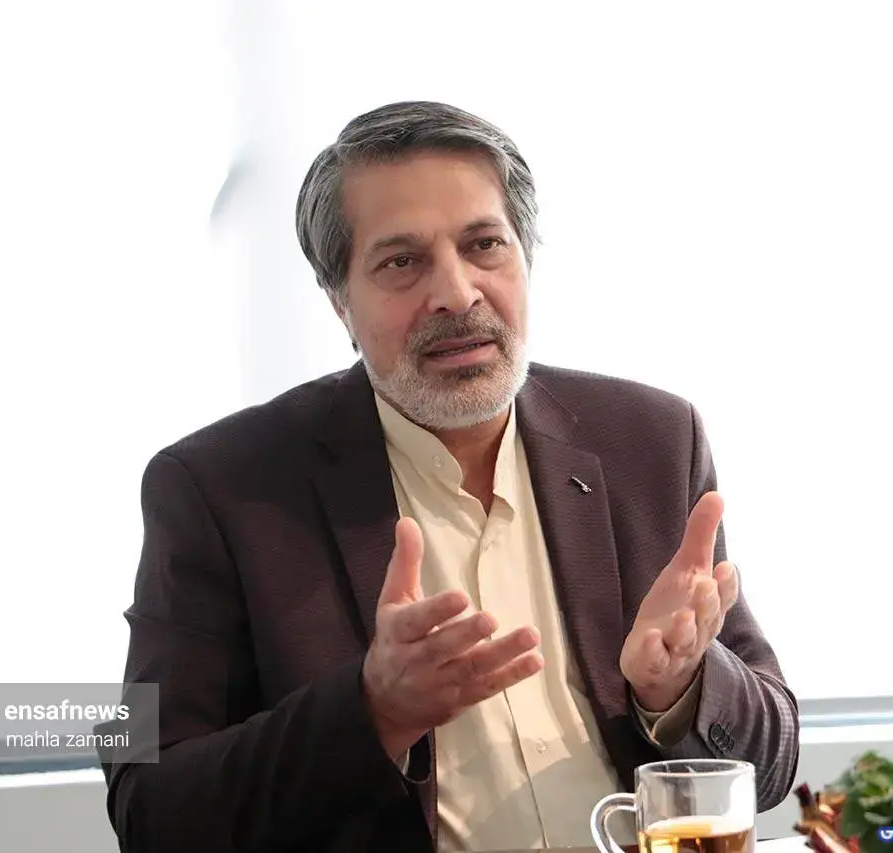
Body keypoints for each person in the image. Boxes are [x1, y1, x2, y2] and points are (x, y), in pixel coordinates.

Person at [97, 100, 799, 853]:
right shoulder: (219, 489)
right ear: (339, 301)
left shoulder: (649, 439)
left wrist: (681, 688)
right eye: (402, 262)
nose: (458, 294)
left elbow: (770, 769)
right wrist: (374, 711)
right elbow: (150, 806)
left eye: (484, 244)